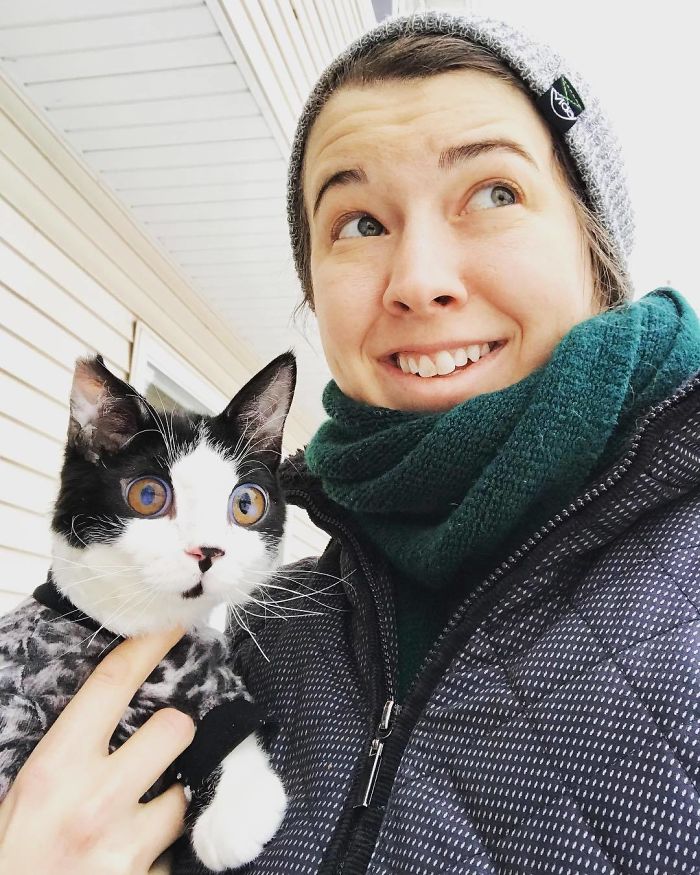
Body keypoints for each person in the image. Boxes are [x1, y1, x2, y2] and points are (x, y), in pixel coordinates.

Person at [2, 10, 700, 874]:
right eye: (360, 223)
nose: (419, 280)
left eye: (494, 193)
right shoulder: (264, 630)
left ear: (597, 251)